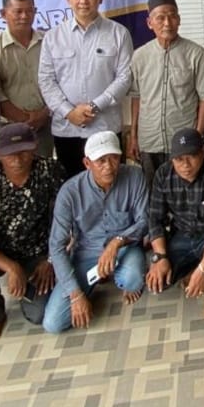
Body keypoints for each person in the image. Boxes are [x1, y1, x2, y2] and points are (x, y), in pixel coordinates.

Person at [0, 123, 64, 341]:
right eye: (10, 154)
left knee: (38, 315)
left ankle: (25, 285)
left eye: (23, 152)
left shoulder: (51, 171)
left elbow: (67, 220)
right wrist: (11, 267)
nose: (17, 160)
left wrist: (51, 259)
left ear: (35, 147)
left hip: (39, 252)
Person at [43, 131, 148, 333]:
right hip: (86, 254)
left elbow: (144, 221)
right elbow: (56, 246)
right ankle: (90, 282)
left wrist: (116, 242)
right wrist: (75, 294)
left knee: (133, 279)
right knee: (53, 324)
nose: (109, 166)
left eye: (114, 158)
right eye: (101, 161)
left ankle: (117, 277)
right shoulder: (70, 192)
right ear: (87, 163)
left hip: (124, 248)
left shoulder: (135, 176)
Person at [38, 0, 132, 178]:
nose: (83, 1)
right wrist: (68, 112)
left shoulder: (119, 33)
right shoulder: (53, 36)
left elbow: (124, 77)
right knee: (70, 183)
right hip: (67, 129)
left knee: (110, 182)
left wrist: (94, 107)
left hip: (105, 126)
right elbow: (46, 80)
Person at [144, 128, 204, 320]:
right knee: (160, 282)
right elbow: (155, 219)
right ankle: (194, 267)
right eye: (179, 159)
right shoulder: (163, 175)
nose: (185, 165)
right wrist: (159, 256)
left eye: (191, 156)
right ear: (172, 159)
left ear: (203, 152)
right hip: (182, 235)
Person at [128, 0, 204, 185]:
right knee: (154, 190)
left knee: (186, 191)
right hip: (149, 139)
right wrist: (133, 136)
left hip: (184, 141)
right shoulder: (139, 56)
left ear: (179, 20)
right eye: (160, 18)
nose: (167, 23)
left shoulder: (196, 54)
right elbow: (136, 97)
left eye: (172, 16)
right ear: (149, 23)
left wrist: (198, 137)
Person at [0, 0, 53, 157]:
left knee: (43, 170)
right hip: (5, 128)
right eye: (18, 11)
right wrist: (23, 119)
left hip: (45, 124)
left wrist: (44, 114)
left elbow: (61, 80)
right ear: (3, 14)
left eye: (29, 11)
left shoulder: (50, 42)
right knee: (5, 172)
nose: (24, 16)